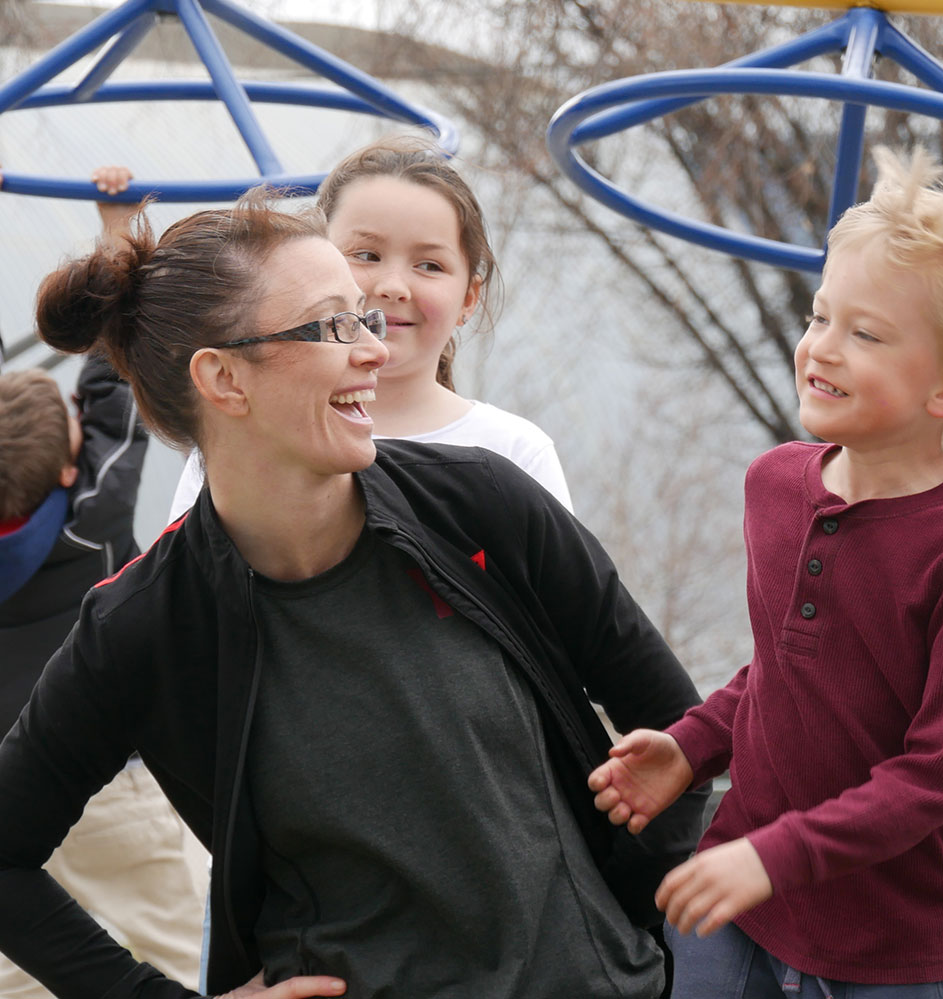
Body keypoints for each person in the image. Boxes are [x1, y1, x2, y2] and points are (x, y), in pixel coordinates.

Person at [0, 188, 707, 999]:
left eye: (364, 318)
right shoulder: (144, 624)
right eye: (333, 324)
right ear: (224, 378)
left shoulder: (481, 503)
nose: (373, 350)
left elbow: (685, 734)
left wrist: (633, 938)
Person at [587, 146, 943, 999]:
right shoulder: (774, 486)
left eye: (864, 333)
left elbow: (936, 773)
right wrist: (692, 745)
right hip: (736, 910)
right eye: (818, 316)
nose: (820, 349)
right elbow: (784, 670)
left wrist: (776, 857)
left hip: (889, 950)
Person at [0, 166, 207, 998]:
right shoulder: (89, 525)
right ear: (67, 468)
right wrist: (118, 230)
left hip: (8, 799)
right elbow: (113, 380)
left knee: (20, 968)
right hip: (106, 793)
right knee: (175, 950)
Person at [168, 135, 571, 522]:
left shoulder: (514, 453)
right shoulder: (242, 440)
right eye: (366, 254)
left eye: (429, 265)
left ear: (469, 298)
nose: (392, 287)